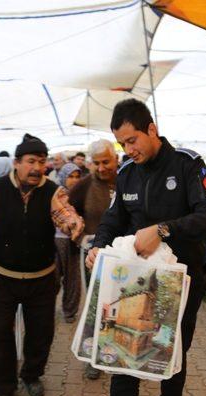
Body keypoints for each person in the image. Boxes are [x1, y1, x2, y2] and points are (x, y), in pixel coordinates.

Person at [85, 99, 206, 396]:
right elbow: (113, 218)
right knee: (124, 361)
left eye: (131, 141)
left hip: (180, 285)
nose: (128, 149)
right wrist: (98, 245)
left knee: (172, 357)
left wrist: (163, 230)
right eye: (122, 144)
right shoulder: (127, 173)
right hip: (133, 283)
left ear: (152, 129)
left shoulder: (187, 165)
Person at [0, 133, 84, 396]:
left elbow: (65, 213)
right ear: (17, 163)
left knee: (41, 333)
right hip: (1, 278)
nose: (37, 168)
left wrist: (73, 224)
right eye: (31, 161)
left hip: (41, 279)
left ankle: (31, 375)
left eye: (42, 162)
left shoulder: (52, 191)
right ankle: (4, 389)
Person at [69, 138, 118, 381]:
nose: (101, 168)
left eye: (106, 162)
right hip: (94, 254)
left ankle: (120, 353)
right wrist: (77, 231)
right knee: (96, 305)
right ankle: (94, 357)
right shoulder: (84, 185)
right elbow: (68, 209)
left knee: (121, 304)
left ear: (116, 158)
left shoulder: (129, 178)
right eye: (96, 163)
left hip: (125, 254)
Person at [54, 163, 83, 323]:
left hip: (74, 241)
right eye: (70, 176)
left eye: (77, 176)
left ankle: (70, 311)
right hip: (55, 239)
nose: (74, 180)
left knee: (72, 278)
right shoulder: (56, 194)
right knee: (53, 276)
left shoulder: (81, 194)